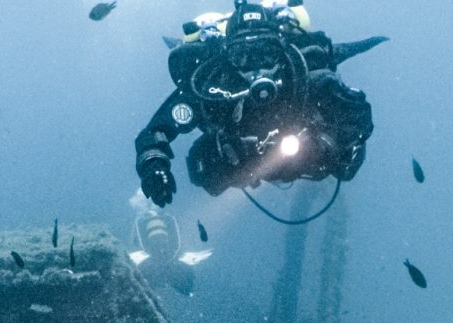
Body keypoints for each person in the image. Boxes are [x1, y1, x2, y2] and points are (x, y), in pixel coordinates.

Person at [135, 0, 384, 207]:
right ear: (227, 58)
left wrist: (349, 132)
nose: (257, 68)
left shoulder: (302, 74)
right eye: (243, 57)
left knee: (340, 166)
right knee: (204, 173)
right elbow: (154, 132)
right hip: (240, 162)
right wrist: (154, 166)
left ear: (282, 51)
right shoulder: (213, 84)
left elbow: (353, 142)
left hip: (302, 156)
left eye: (266, 53)